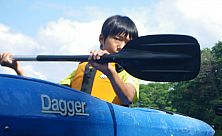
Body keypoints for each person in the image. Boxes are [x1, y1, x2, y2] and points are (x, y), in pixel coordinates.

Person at [0, 15, 139, 106]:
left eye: (128, 43)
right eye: (117, 39)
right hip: (78, 124)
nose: (122, 46)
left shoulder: (129, 71)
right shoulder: (85, 67)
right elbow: (45, 96)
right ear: (102, 39)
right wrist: (17, 69)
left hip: (110, 125)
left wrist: (110, 72)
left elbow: (128, 98)